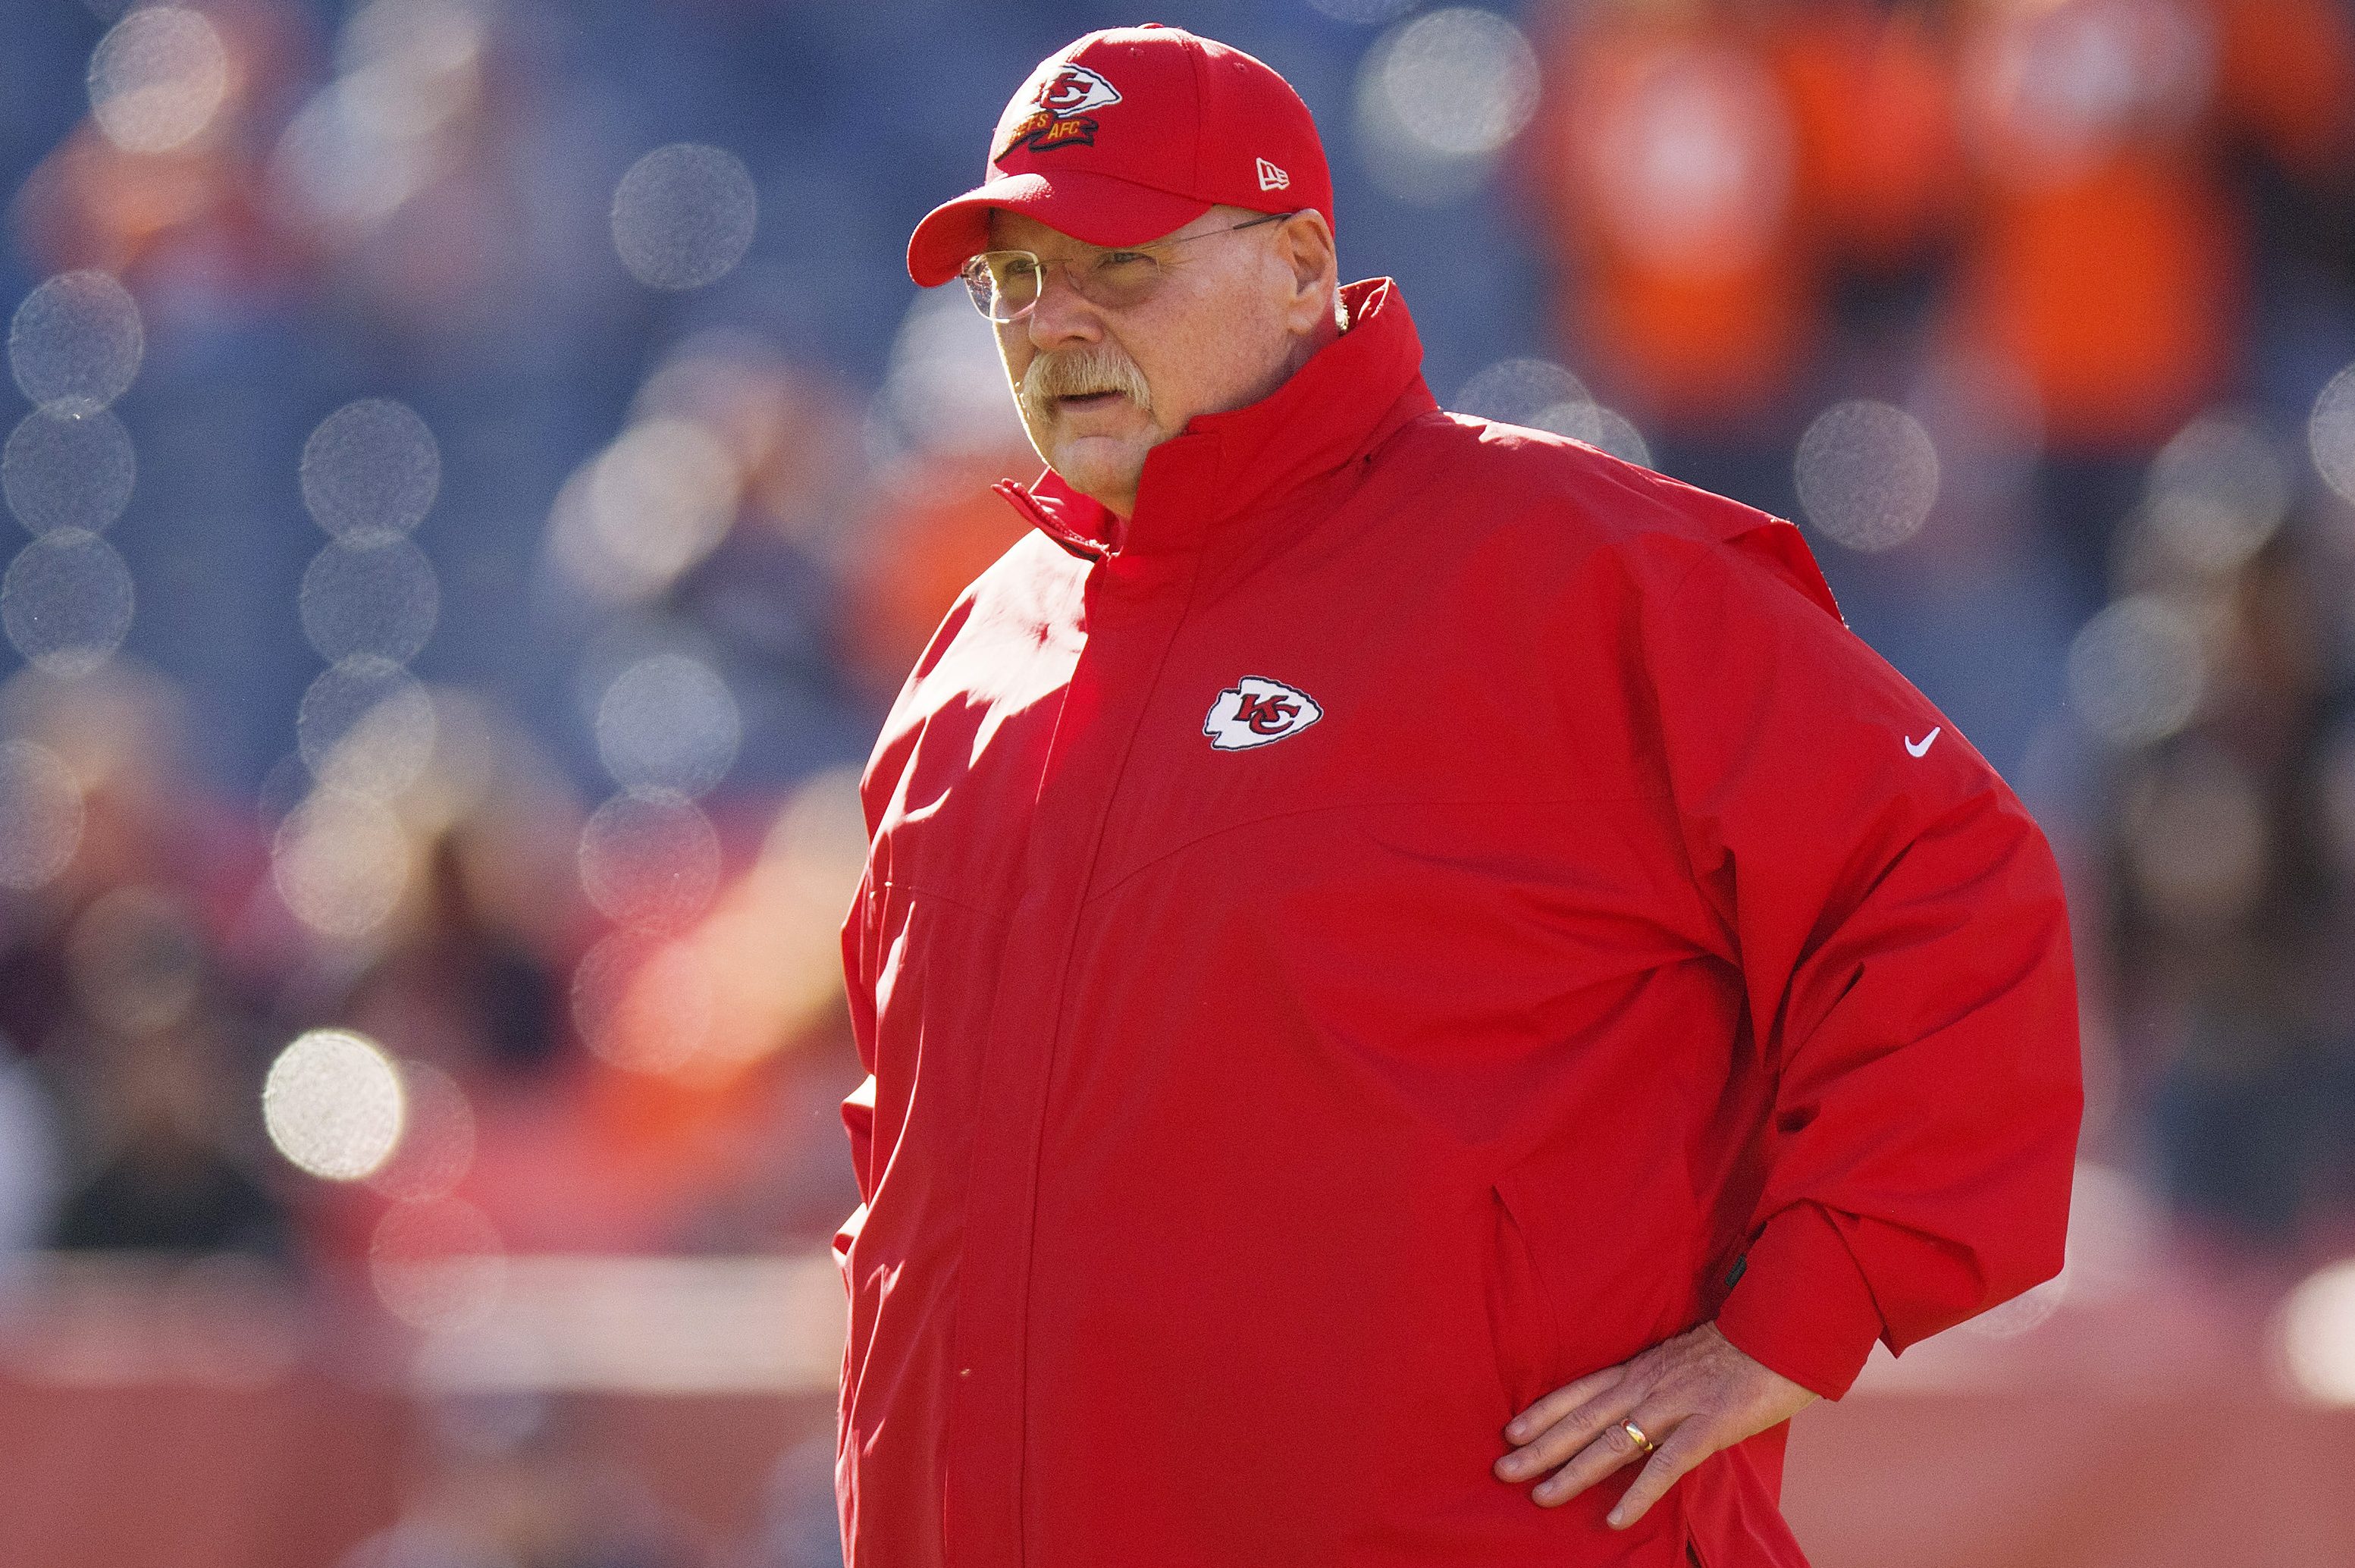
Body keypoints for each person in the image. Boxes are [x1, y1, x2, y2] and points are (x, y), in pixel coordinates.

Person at [833, 24, 2082, 1567]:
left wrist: (1792, 1319)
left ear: (1299, 264)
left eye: (1120, 264)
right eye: (1013, 277)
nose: (1052, 323)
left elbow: (1946, 890)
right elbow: (909, 1161)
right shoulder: (978, 650)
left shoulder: (1571, 570)